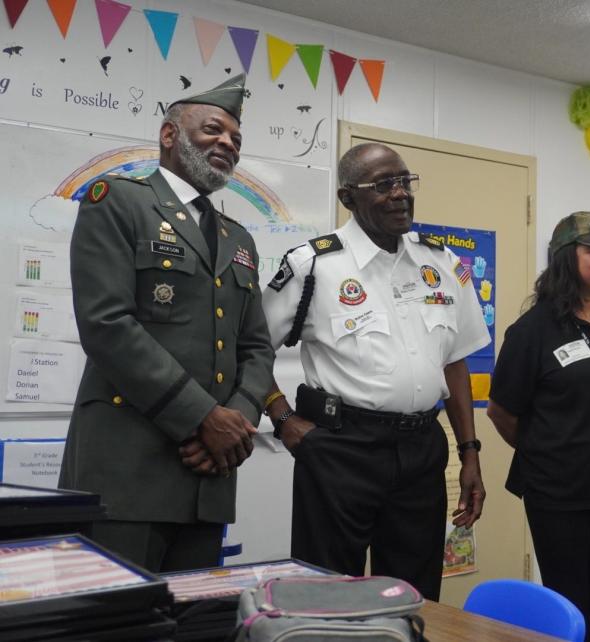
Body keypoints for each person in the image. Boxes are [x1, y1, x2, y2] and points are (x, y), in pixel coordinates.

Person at [59, 75, 275, 572]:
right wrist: (205, 419)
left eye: (236, 140)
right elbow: (106, 324)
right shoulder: (116, 200)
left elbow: (257, 347)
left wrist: (237, 425)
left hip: (209, 475)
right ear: (169, 134)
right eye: (213, 130)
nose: (227, 143)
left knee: (193, 622)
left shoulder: (238, 237)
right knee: (117, 623)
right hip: (126, 471)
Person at [260, 142, 490, 601]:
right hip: (340, 448)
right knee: (326, 594)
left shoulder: (440, 263)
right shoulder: (314, 266)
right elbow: (248, 350)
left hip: (421, 450)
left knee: (413, 594)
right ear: (348, 197)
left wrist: (469, 452)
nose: (400, 194)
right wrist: (282, 418)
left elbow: (455, 361)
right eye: (384, 185)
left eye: (405, 182)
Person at [487, 211, 590, 642]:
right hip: (558, 491)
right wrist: (551, 451)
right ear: (565, 258)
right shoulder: (532, 330)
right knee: (570, 601)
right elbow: (502, 412)